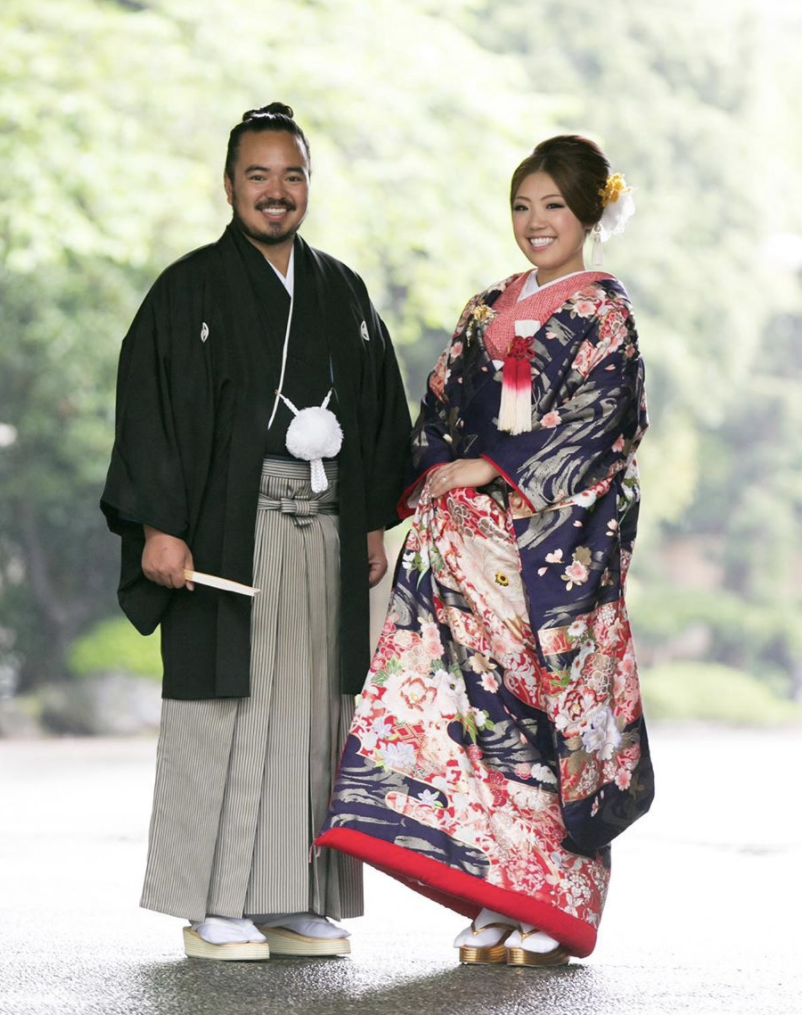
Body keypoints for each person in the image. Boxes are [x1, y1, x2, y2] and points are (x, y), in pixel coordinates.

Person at [317, 135, 654, 966]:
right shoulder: (481, 309)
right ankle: (493, 895)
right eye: (522, 206)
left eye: (553, 208)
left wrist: (488, 466)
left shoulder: (606, 313)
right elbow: (435, 413)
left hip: (547, 557)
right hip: (466, 553)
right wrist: (430, 477)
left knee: (541, 717)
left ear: (589, 214)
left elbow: (602, 426)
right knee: (475, 720)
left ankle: (551, 897)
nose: (536, 223)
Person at [101, 104, 411, 961]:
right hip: (224, 533)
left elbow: (383, 408)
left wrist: (375, 519)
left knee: (318, 713)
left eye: (293, 175)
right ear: (230, 184)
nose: (276, 193)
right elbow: (150, 411)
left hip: (328, 525)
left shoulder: (341, 289)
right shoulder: (188, 290)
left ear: (309, 184)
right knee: (228, 708)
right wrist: (162, 526)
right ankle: (214, 904)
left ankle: (298, 898)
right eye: (258, 175)